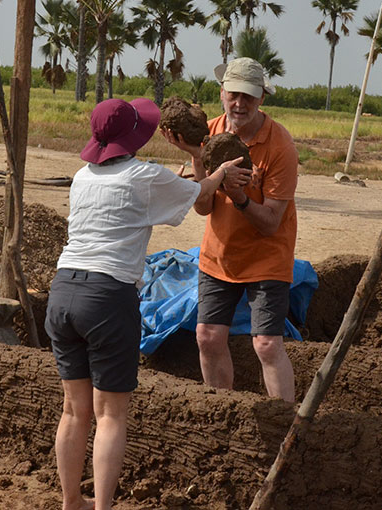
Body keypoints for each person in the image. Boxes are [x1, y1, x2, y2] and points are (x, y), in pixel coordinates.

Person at [45, 96, 248, 510]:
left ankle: (71, 502)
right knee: (110, 415)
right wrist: (223, 170)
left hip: (63, 291)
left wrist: (177, 180)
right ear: (133, 137)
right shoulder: (144, 175)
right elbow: (202, 193)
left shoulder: (84, 176)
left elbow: (144, 200)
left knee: (73, 410)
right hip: (107, 297)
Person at [164, 57, 299, 403]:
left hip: (267, 256)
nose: (240, 104)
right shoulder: (208, 132)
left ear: (262, 99)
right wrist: (199, 160)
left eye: (249, 97)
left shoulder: (280, 145)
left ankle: (284, 422)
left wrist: (237, 195)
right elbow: (204, 208)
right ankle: (221, 411)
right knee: (207, 336)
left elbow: (270, 223)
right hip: (219, 255)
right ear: (222, 93)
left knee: (267, 344)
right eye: (234, 94)